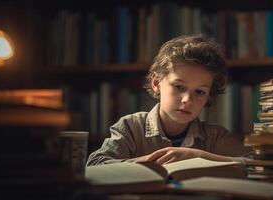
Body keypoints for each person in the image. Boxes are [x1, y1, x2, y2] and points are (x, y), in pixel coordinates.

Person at [86, 35, 250, 166]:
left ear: (209, 95)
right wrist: (151, 162)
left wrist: (201, 157)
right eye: (179, 87)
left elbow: (258, 165)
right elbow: (95, 165)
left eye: (200, 92)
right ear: (156, 83)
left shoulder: (214, 136)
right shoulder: (131, 127)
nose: (187, 100)